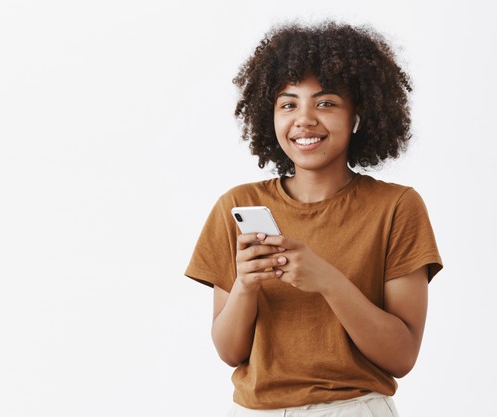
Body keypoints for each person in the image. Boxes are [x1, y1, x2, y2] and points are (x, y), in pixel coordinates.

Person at [184, 21, 443, 417]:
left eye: (325, 103)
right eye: (288, 104)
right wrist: (246, 287)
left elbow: (402, 356)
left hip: (353, 408)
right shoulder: (237, 205)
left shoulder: (397, 207)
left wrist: (328, 281)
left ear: (359, 114)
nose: (304, 119)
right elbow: (229, 351)